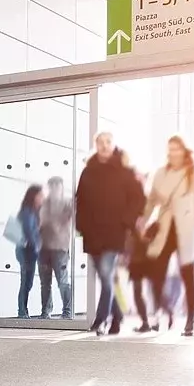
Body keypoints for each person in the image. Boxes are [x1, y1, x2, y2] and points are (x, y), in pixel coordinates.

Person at [76, 133, 144, 336]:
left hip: (115, 232)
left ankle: (100, 320)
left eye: (108, 142)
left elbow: (138, 199)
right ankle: (117, 318)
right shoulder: (88, 172)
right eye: (100, 142)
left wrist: (126, 221)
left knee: (106, 274)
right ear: (95, 146)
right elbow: (81, 201)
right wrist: (81, 226)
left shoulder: (125, 170)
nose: (104, 146)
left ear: (113, 145)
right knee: (106, 278)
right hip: (93, 233)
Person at [141, 135, 194, 335]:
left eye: (177, 148)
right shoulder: (160, 173)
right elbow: (151, 201)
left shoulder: (192, 173)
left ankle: (191, 321)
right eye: (170, 149)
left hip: (184, 230)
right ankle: (166, 310)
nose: (173, 153)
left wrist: (193, 225)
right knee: (155, 275)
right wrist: (142, 222)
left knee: (187, 276)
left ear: (184, 150)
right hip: (164, 228)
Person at [37, 177, 75, 320]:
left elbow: (72, 218)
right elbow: (38, 223)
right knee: (45, 283)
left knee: (63, 282)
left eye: (57, 186)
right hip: (43, 249)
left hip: (60, 248)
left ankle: (67, 312)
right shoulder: (43, 204)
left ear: (61, 188)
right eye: (51, 186)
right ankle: (45, 312)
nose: (54, 189)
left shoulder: (67, 203)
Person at [9, 185, 44, 318]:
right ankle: (22, 311)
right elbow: (29, 232)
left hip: (31, 251)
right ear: (33, 196)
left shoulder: (35, 212)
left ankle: (23, 311)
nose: (42, 198)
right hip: (25, 250)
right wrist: (37, 248)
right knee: (25, 282)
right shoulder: (27, 211)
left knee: (28, 282)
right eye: (40, 195)